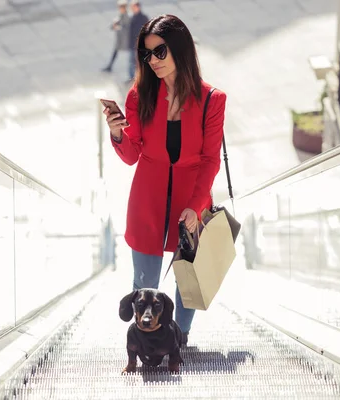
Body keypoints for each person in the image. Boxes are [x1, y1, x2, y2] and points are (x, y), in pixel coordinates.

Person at [104, 14, 227, 346]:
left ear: (180, 49)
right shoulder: (139, 96)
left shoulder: (211, 101)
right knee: (144, 281)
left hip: (192, 198)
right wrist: (118, 132)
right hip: (147, 199)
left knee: (189, 279)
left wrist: (195, 206)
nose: (152, 60)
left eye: (160, 52)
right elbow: (131, 155)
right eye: (147, 53)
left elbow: (210, 159)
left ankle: (179, 338)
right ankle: (144, 340)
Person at [102, 0, 131, 73]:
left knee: (132, 55)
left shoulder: (127, 16)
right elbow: (116, 24)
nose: (119, 9)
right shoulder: (121, 14)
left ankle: (135, 70)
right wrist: (114, 25)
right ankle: (110, 66)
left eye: (121, 7)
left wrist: (117, 27)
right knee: (115, 52)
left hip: (125, 39)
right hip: (120, 39)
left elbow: (126, 28)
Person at [127, 0, 149, 81]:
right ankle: (132, 77)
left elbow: (147, 30)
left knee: (141, 61)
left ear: (138, 7)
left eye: (133, 7)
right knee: (131, 61)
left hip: (141, 43)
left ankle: (141, 77)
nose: (132, 9)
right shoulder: (131, 17)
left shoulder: (144, 17)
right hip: (132, 43)